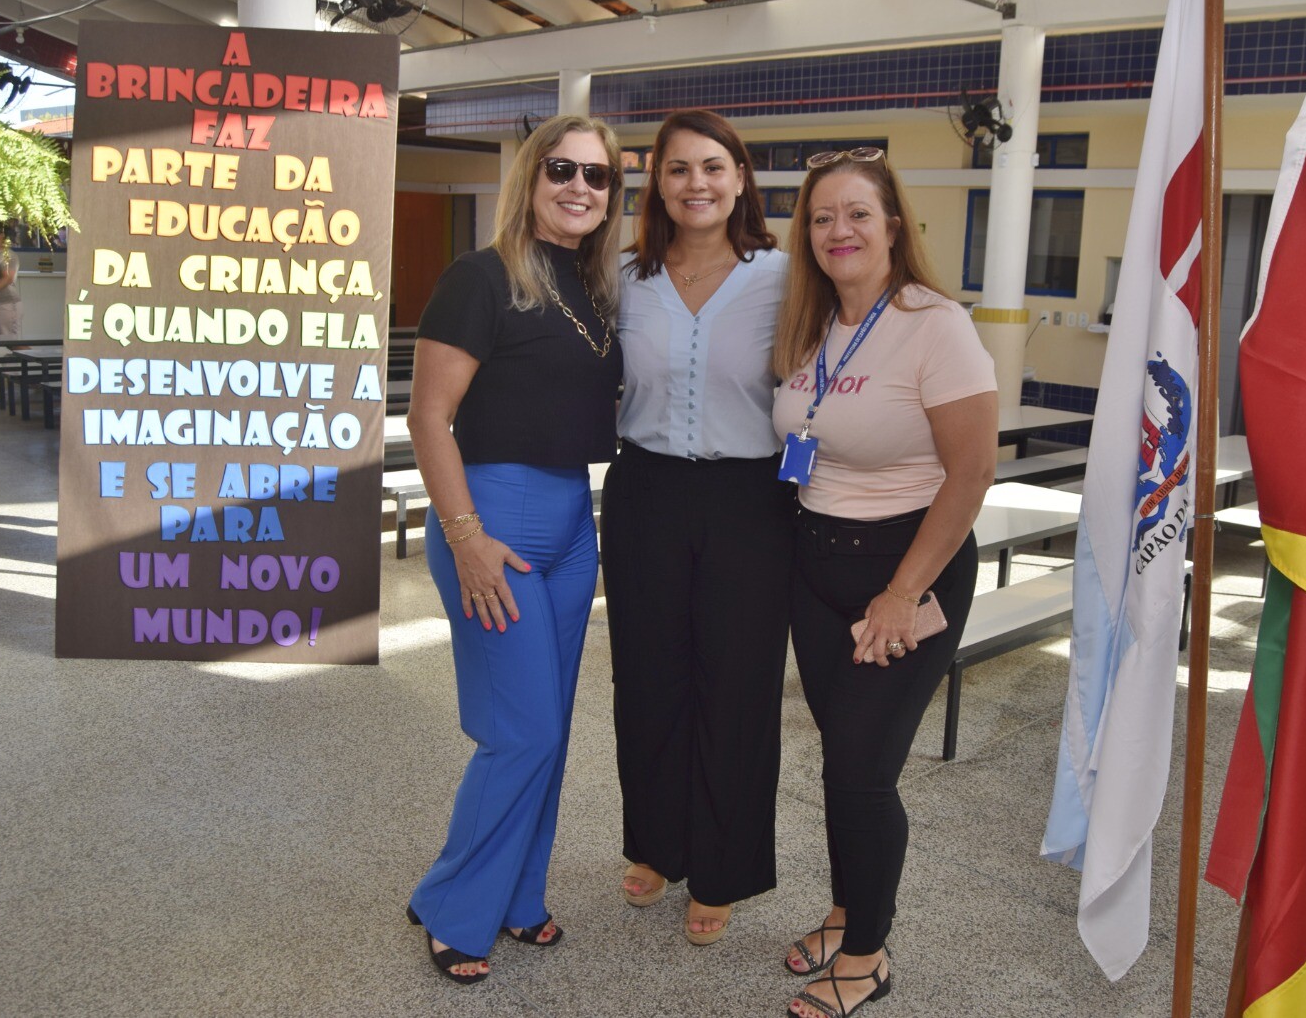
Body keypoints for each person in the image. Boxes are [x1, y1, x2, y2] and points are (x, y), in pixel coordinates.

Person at [769, 147, 998, 1018]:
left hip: (908, 568)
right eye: (822, 217)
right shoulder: (813, 321)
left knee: (863, 770)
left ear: (894, 224)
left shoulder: (934, 322)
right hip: (815, 563)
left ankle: (867, 955)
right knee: (840, 760)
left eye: (858, 213)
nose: (839, 230)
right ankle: (846, 909)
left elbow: (971, 472)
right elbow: (803, 439)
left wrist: (901, 593)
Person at [404, 114, 624, 984]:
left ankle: (519, 896)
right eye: (562, 170)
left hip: (574, 516)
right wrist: (466, 540)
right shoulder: (479, 277)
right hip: (492, 515)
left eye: (598, 177)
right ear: (531, 178)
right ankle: (453, 903)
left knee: (552, 729)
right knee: (521, 731)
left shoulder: (594, 285)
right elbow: (428, 418)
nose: (580, 187)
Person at [600, 109, 793, 946]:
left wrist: (801, 491)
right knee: (647, 679)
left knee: (738, 686)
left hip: (751, 498)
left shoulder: (786, 276)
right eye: (678, 169)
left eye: (713, 167)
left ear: (741, 176)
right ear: (658, 183)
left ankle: (722, 866)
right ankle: (655, 843)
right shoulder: (625, 276)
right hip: (644, 490)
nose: (697, 184)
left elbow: (813, 389)